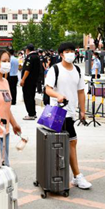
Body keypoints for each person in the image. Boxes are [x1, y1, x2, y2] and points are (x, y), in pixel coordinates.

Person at [44, 42, 91, 189]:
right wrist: (58, 95)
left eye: (72, 51)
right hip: (57, 112)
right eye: (67, 51)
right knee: (70, 142)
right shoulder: (55, 69)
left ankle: (59, 176)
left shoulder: (77, 70)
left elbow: (81, 91)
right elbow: (47, 89)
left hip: (71, 112)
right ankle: (76, 176)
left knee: (65, 143)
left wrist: (82, 110)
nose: (70, 54)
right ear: (61, 54)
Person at [20, 44, 42, 120]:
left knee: (27, 97)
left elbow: (27, 69)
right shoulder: (37, 56)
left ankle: (31, 114)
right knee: (32, 97)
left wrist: (23, 79)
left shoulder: (30, 57)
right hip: (34, 80)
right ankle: (33, 113)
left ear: (27, 50)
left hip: (28, 81)